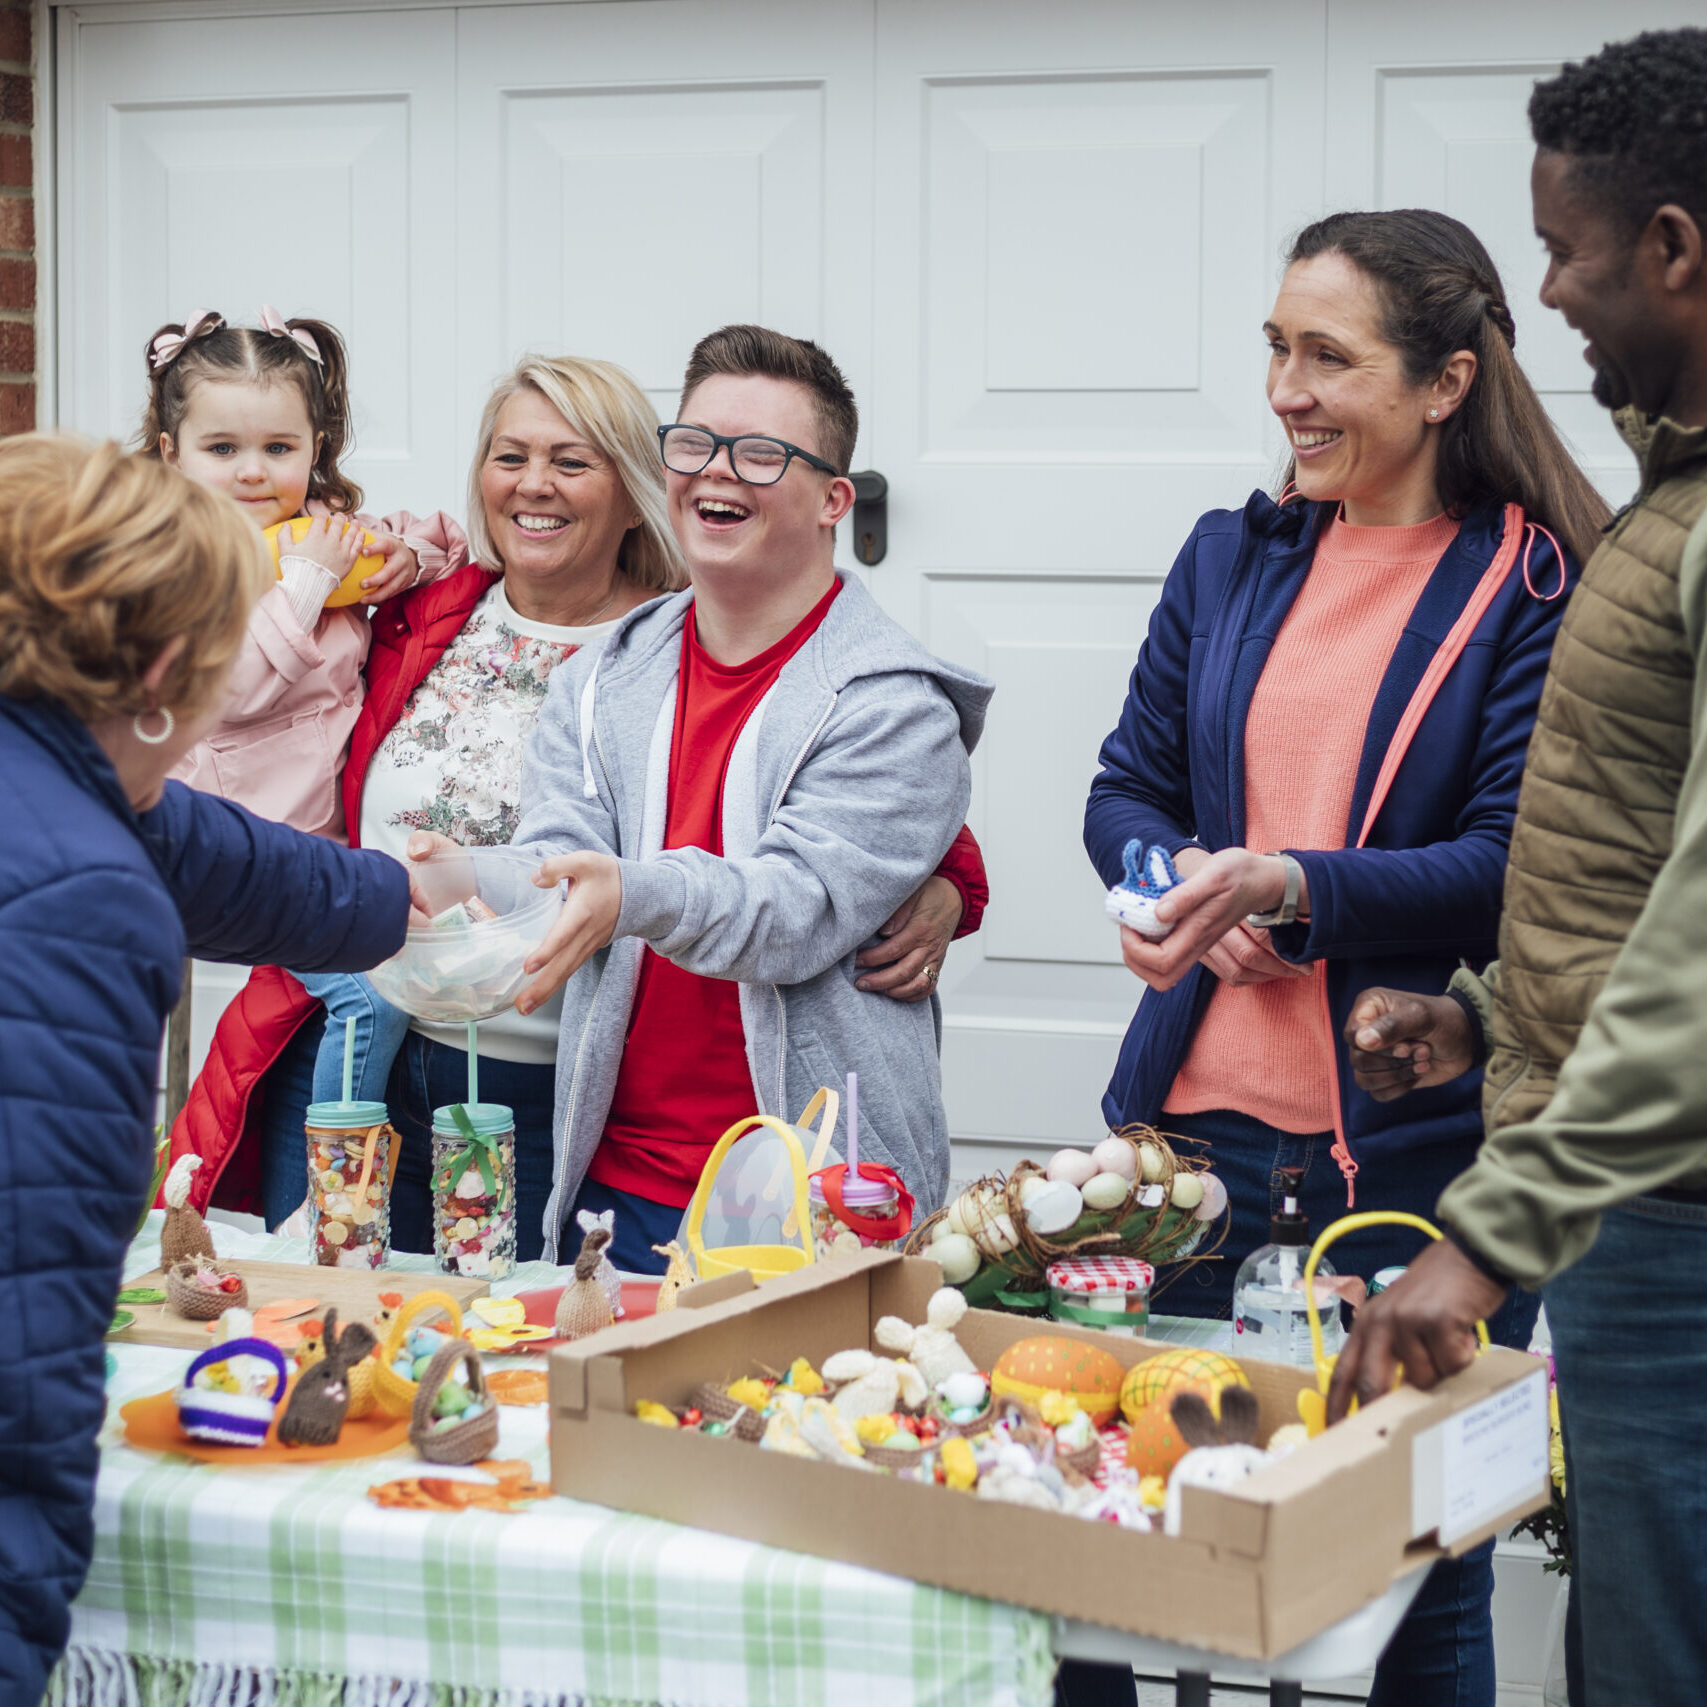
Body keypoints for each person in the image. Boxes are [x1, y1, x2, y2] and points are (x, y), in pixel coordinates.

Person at [1077, 211, 1604, 1706]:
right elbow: (1122, 788)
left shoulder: (1533, 586)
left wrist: (1295, 885)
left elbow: (1517, 862)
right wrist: (1173, 876)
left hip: (1408, 1162)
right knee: (1136, 1530)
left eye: (1326, 356)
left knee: (1410, 1570)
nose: (1283, 390)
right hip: (1184, 1146)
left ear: (1442, 382)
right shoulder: (1227, 557)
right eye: (1273, 348)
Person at [170, 352, 988, 1256]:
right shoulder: (422, 613)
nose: (534, 486)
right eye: (509, 457)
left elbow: (831, 836)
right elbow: (252, 717)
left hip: (601, 1100)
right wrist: (446, 871)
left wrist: (949, 875)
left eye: (571, 460)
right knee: (381, 1333)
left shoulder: (757, 652)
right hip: (406, 1051)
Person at [1330, 32, 1707, 1707]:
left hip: (1674, 1234)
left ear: (1676, 248)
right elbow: (1636, 854)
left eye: (1563, 248)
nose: (1540, 290)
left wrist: (1484, 1239)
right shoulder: (1671, 494)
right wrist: (1491, 1012)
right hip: (1635, 1211)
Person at [0, 436, 413, 1706]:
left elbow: (203, 847)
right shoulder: (76, 899)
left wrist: (412, 897)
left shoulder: (57, 777)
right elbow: (22, 1348)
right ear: (170, 674)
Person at [462, 324, 994, 1269]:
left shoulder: (896, 707)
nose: (717, 473)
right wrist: (455, 880)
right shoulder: (600, 677)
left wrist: (630, 892)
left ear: (834, 499)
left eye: (760, 453)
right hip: (614, 1188)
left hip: (823, 1199)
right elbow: (556, 855)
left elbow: (789, 912)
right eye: (696, 443)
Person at [142, 307, 467, 1145]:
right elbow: (228, 692)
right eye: (223, 451)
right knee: (368, 990)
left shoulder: (315, 532)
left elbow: (440, 538)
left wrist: (408, 558)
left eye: (279, 449)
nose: (254, 473)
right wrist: (304, 584)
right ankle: (338, 1177)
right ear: (172, 452)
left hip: (330, 839)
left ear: (315, 447)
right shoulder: (176, 563)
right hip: (245, 851)